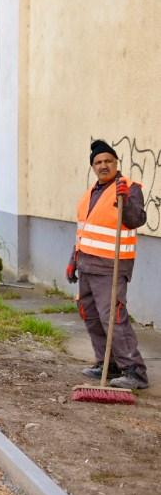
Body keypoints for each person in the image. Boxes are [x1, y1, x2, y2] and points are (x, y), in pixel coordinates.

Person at [67, 139, 149, 390]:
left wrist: (126, 201)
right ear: (93, 167)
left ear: (116, 163)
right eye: (98, 162)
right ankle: (107, 363)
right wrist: (73, 260)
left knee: (112, 317)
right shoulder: (92, 192)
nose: (103, 166)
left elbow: (136, 219)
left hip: (111, 267)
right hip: (87, 266)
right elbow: (85, 230)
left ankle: (134, 371)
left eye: (108, 161)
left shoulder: (129, 188)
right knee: (91, 317)